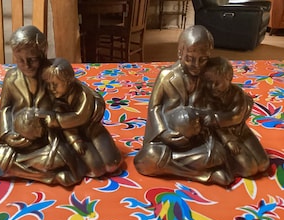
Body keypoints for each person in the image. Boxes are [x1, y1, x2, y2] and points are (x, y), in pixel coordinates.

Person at [0, 25, 87, 186]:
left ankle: (27, 167)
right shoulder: (11, 78)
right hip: (19, 141)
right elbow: (5, 108)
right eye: (20, 60)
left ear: (43, 54)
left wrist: (58, 123)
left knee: (62, 155)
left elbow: (66, 103)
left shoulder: (52, 75)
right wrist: (7, 134)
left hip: (47, 140)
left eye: (32, 59)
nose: (26, 65)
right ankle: (48, 176)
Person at [134, 25, 233, 186]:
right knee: (145, 159)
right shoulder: (167, 76)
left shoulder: (208, 76)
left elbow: (215, 104)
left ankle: (177, 165)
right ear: (180, 53)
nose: (196, 65)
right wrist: (164, 133)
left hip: (197, 140)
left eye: (203, 59)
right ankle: (204, 174)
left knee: (221, 153)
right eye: (190, 58)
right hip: (168, 138)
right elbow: (154, 107)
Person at [41, 57, 123, 178]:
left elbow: (80, 116)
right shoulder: (53, 100)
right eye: (48, 85)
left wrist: (56, 120)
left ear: (68, 81)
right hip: (74, 137)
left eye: (55, 84)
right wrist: (75, 141)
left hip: (92, 129)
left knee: (112, 163)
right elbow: (66, 127)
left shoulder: (84, 95)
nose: (51, 88)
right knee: (97, 169)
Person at [199, 56, 269, 177]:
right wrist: (228, 140)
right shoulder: (208, 98)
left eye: (217, 82)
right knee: (250, 169)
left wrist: (215, 118)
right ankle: (226, 166)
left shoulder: (237, 93)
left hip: (243, 132)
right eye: (209, 82)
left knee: (263, 163)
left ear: (229, 78)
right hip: (225, 137)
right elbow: (214, 128)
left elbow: (237, 116)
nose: (212, 86)